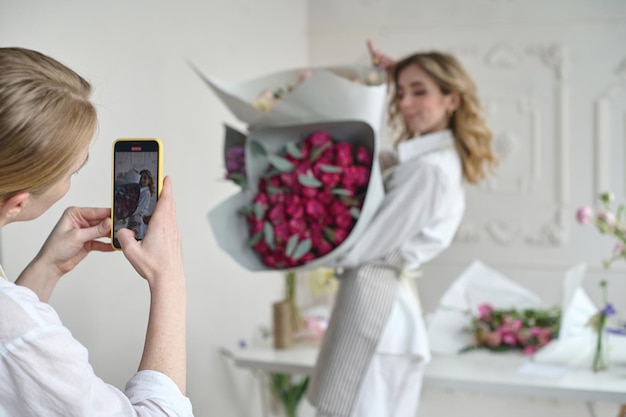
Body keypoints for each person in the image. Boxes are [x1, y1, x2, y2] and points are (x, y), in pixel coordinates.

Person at [307, 41, 498, 417]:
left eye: (420, 91)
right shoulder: (427, 160)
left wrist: (299, 248)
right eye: (402, 92)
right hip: (378, 308)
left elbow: (366, 246)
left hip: (377, 314)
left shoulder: (430, 170)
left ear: (452, 99)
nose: (406, 103)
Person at [0, 47, 193, 416]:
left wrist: (48, 269)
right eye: (73, 171)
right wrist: (170, 281)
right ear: (18, 203)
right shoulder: (14, 324)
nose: (71, 182)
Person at [129, 169, 156, 239]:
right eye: (140, 178)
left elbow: (140, 207)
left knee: (136, 236)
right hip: (134, 215)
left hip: (138, 217)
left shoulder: (146, 193)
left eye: (145, 178)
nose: (142, 180)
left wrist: (129, 212)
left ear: (149, 180)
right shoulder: (138, 190)